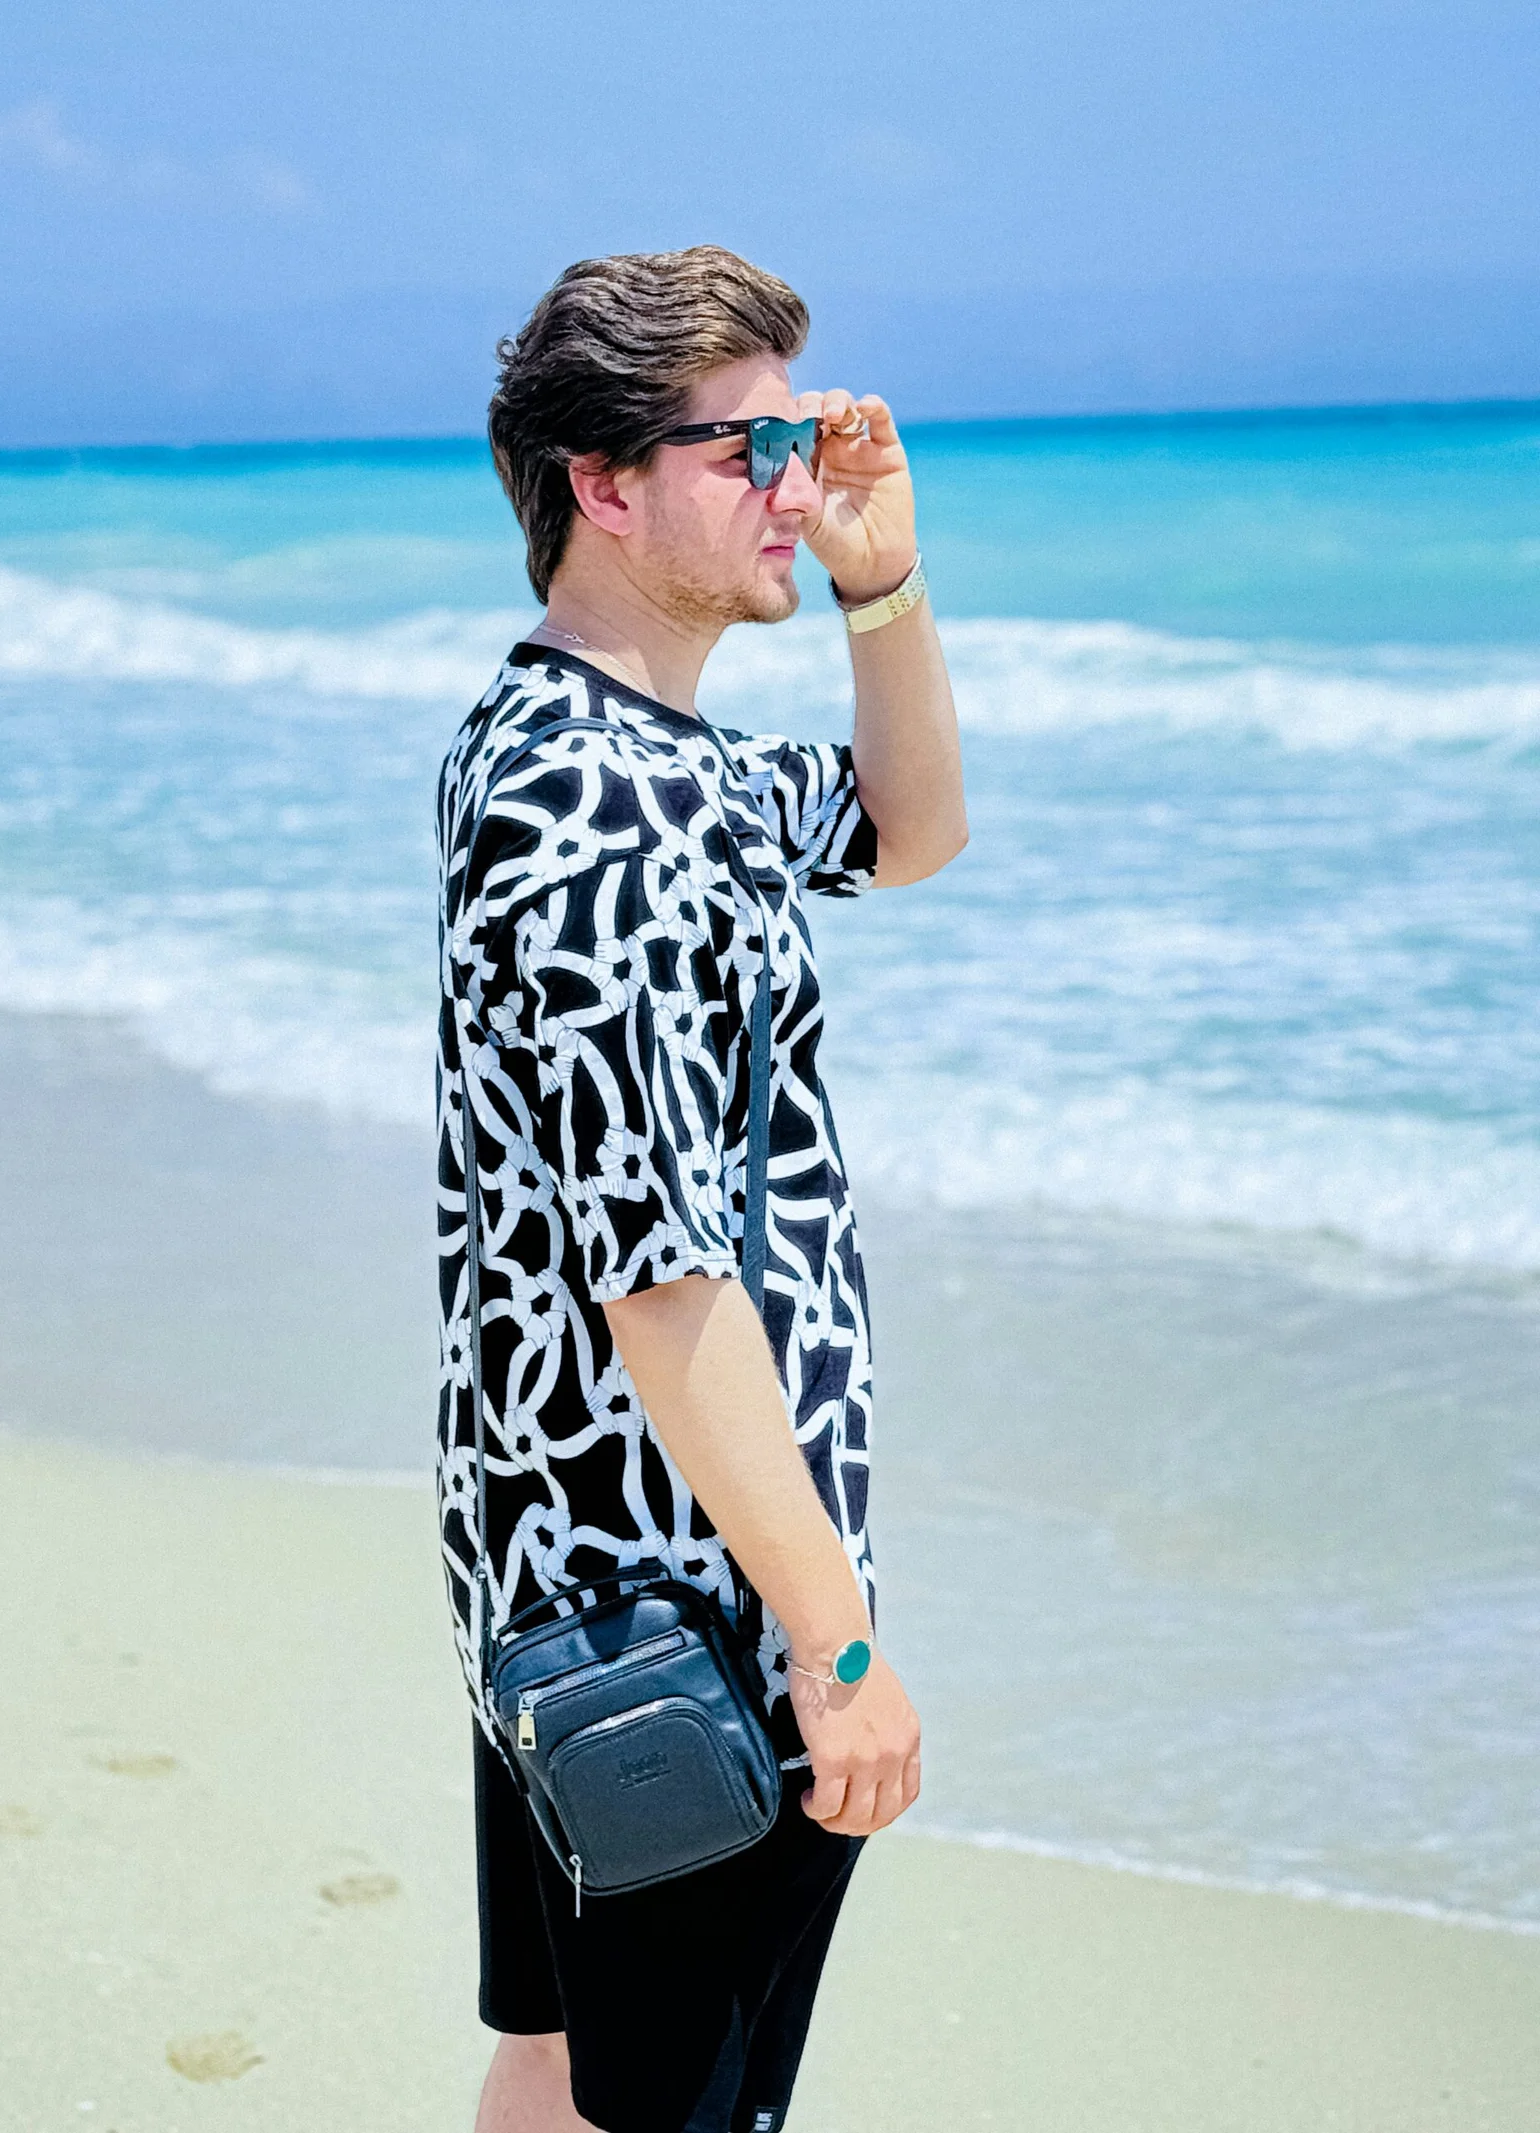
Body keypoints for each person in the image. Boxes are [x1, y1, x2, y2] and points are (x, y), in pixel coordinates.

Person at [435, 245, 967, 2133]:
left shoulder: (630, 755)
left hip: (576, 1585)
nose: (795, 488)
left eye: (803, 443)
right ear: (601, 481)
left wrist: (878, 583)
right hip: (681, 1622)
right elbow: (662, 1291)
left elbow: (910, 831)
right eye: (751, 449)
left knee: (571, 2069)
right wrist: (837, 1652)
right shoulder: (599, 814)